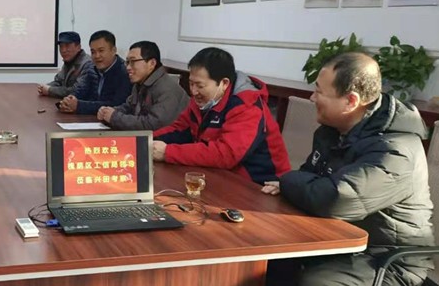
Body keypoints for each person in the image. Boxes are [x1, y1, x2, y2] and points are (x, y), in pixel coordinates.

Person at [259, 52, 434, 286]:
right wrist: (301, 183)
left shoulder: (396, 149)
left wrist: (289, 180)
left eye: (320, 91)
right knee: (270, 261)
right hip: (344, 240)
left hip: (393, 261)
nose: (312, 97)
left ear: (351, 100)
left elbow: (336, 198)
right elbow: (314, 179)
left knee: (314, 285)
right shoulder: (335, 130)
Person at [151, 47, 290, 184]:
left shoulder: (247, 106)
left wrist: (168, 152)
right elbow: (180, 128)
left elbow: (226, 154)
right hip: (220, 174)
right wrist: (146, 140)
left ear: (224, 83)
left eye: (200, 86)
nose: (193, 91)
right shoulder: (203, 100)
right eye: (191, 84)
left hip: (260, 185)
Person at [96, 40, 187, 130]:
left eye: (133, 61)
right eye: (127, 62)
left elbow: (152, 125)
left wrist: (114, 117)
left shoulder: (167, 89)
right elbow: (129, 107)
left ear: (152, 63)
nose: (128, 67)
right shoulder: (140, 83)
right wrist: (108, 112)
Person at [57, 30, 131, 115]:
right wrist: (68, 101)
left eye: (101, 51)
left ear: (113, 50)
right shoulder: (92, 68)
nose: (97, 56)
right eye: (93, 52)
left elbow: (116, 104)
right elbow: (80, 91)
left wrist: (79, 106)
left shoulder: (124, 72)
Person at [37, 31, 94, 99]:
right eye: (61, 46)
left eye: (67, 46)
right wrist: (44, 87)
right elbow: (58, 81)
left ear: (78, 47)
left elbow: (76, 91)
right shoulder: (69, 61)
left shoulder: (87, 64)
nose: (63, 50)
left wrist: (49, 90)